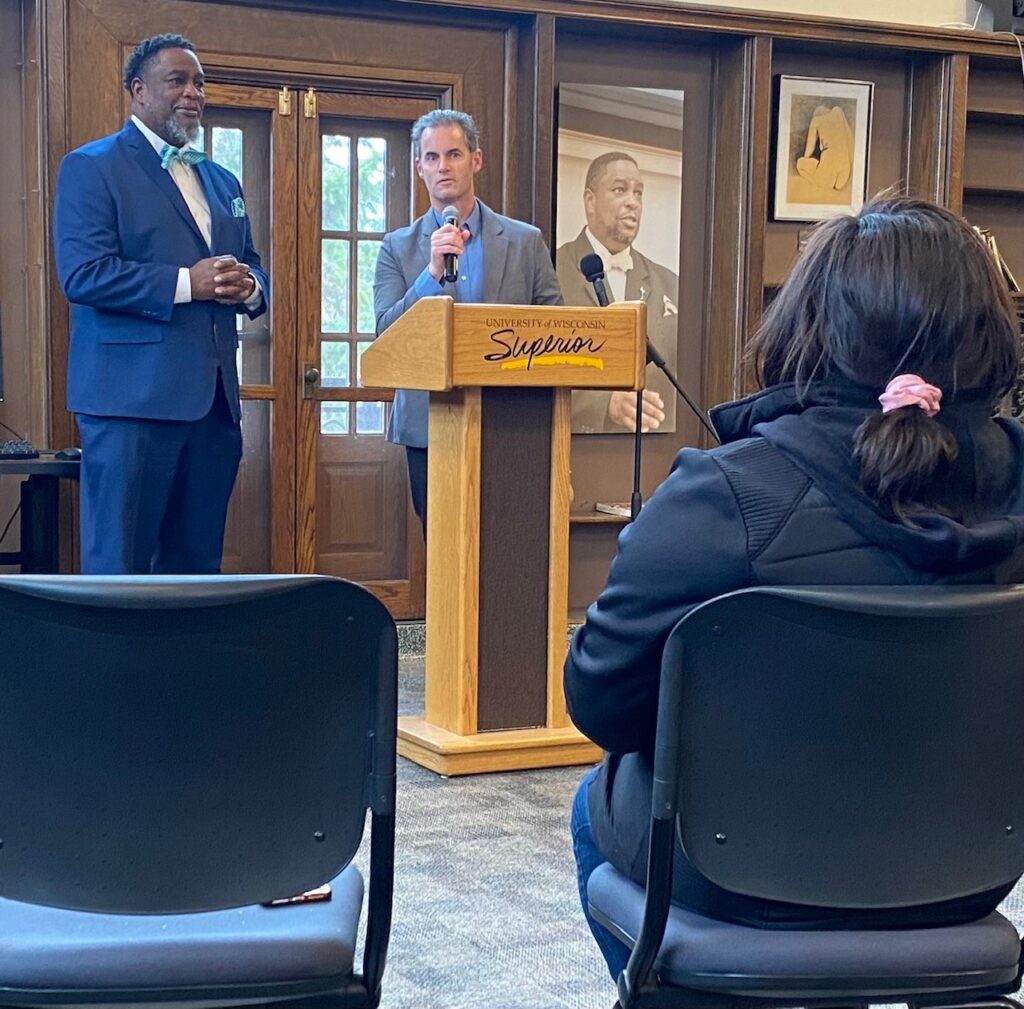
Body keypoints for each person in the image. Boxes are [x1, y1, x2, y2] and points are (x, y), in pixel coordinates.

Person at [564, 195, 1024, 978]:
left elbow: (601, 699)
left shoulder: (724, 496)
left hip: (740, 879)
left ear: (814, 324)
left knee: (592, 804)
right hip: (967, 873)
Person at [54, 33, 268, 574]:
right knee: (120, 567)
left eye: (199, 82)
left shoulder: (221, 180)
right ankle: (115, 664)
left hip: (215, 408)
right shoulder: (92, 166)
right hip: (130, 407)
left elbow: (249, 259)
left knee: (197, 569)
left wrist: (252, 287)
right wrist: (186, 284)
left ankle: (187, 664)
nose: (193, 92)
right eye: (178, 80)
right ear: (138, 91)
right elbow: (83, 275)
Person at [373, 109, 562, 532]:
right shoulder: (396, 248)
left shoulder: (525, 241)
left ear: (475, 160)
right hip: (428, 424)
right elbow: (387, 335)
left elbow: (555, 329)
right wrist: (432, 273)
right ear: (419, 166)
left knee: (509, 544)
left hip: (511, 423)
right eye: (433, 157)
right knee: (441, 541)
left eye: (454, 154)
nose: (444, 166)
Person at [556, 151, 678, 434]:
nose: (632, 203)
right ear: (590, 201)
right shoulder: (552, 270)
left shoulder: (670, 284)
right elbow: (531, 369)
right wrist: (603, 403)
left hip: (653, 451)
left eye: (638, 193)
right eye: (620, 190)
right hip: (574, 448)